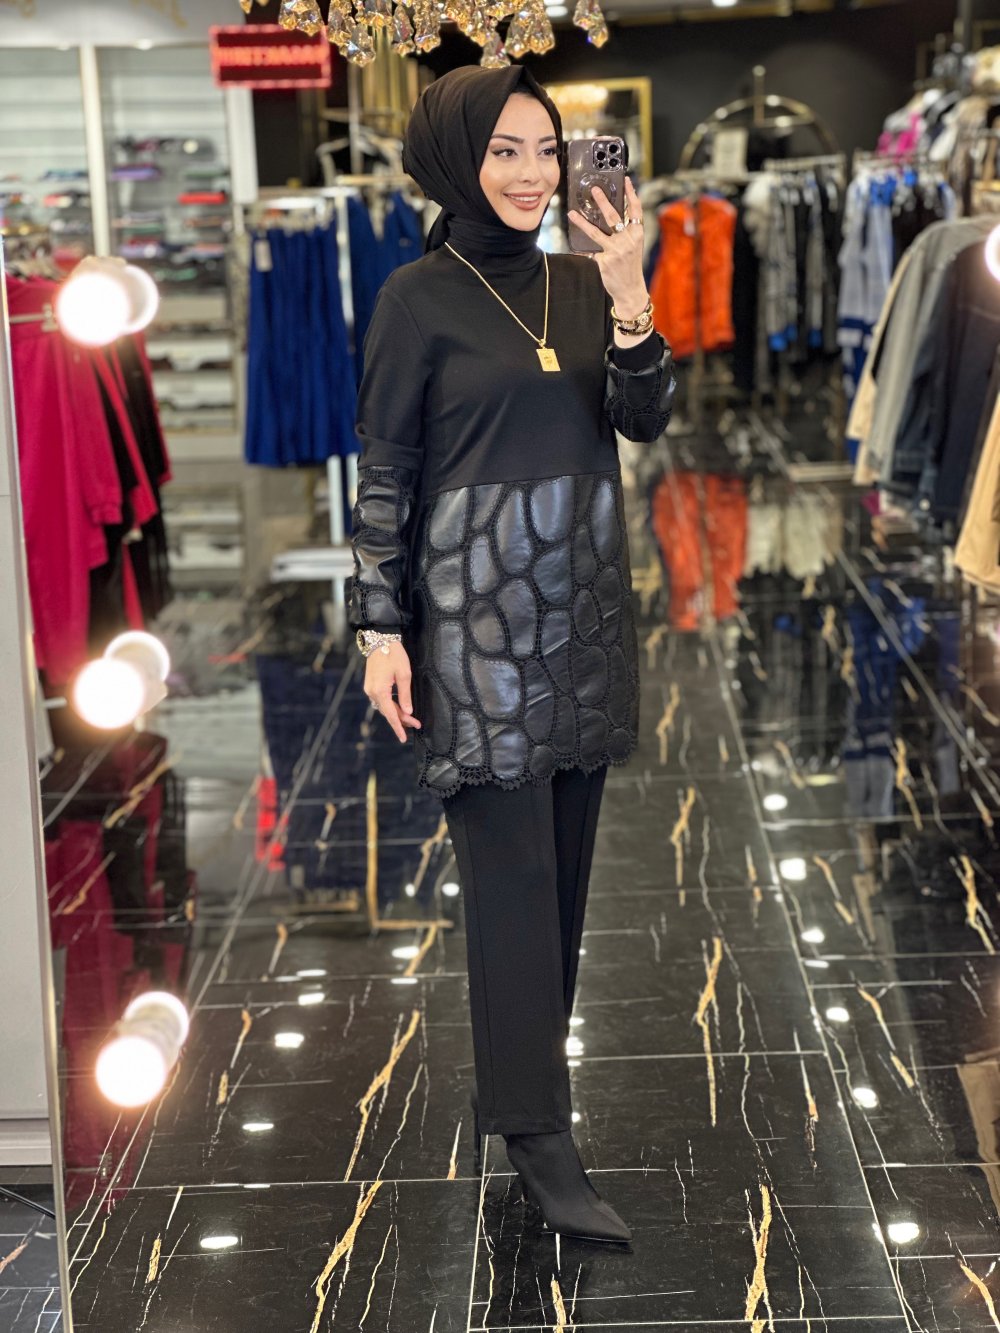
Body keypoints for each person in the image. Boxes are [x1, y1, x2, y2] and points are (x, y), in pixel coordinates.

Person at [348, 65, 675, 1243]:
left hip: (580, 618)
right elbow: (385, 469)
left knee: (565, 878)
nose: (533, 173)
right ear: (454, 160)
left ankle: (531, 1095)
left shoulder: (584, 283)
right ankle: (538, 1135)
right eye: (505, 151)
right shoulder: (414, 300)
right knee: (512, 882)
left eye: (547, 149)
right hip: (473, 630)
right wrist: (380, 627)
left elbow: (642, 418)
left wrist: (630, 300)